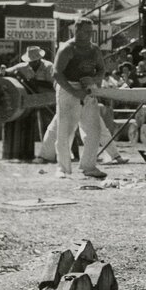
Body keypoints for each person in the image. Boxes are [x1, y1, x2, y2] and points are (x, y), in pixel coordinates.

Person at [49, 17, 108, 179]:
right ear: (77, 31)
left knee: (94, 129)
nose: (89, 35)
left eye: (91, 31)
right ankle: (62, 168)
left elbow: (102, 70)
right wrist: (74, 92)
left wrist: (94, 80)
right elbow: (56, 73)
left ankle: (89, 166)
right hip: (69, 87)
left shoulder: (94, 49)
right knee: (65, 129)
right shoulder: (67, 48)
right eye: (86, 31)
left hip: (88, 89)